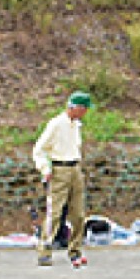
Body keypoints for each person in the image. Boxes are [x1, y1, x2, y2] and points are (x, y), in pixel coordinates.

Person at [31, 91, 91, 269]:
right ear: (76, 108)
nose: (86, 113)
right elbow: (39, 149)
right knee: (55, 214)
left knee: (79, 214)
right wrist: (45, 168)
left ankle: (75, 250)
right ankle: (44, 250)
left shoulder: (77, 125)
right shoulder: (56, 124)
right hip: (59, 169)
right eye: (84, 109)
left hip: (75, 168)